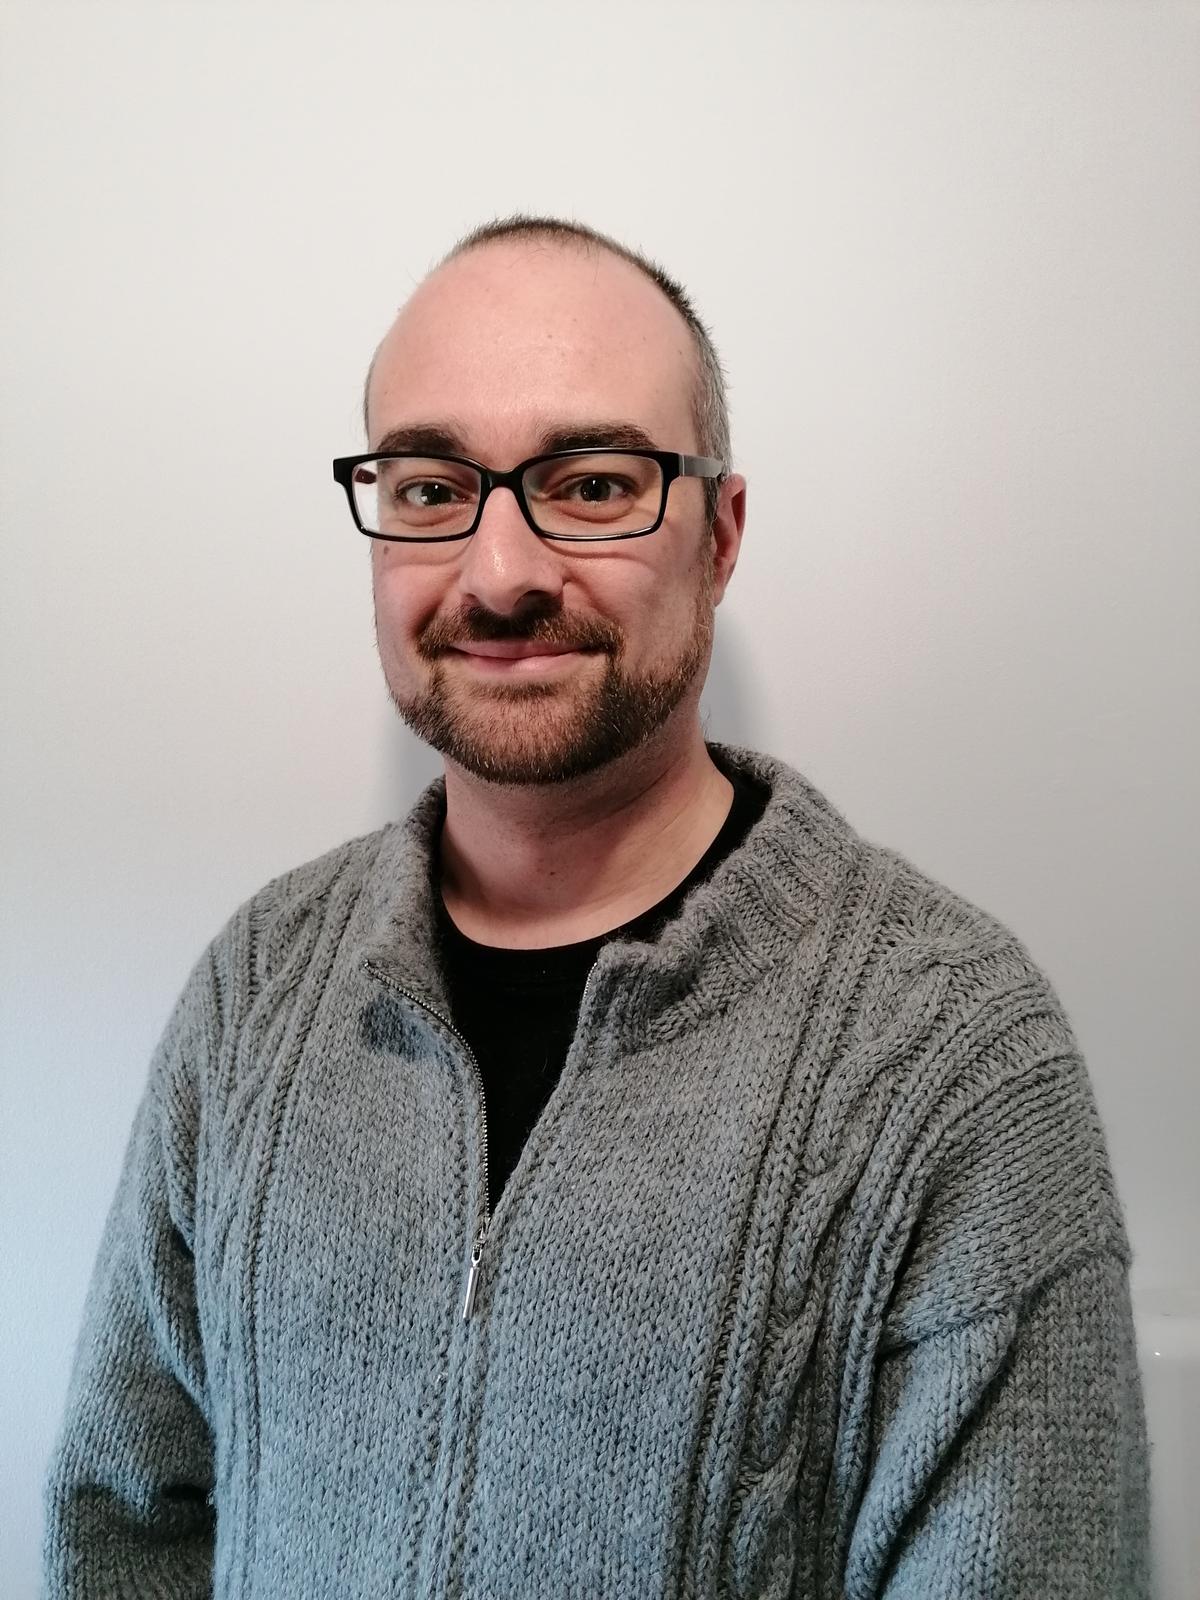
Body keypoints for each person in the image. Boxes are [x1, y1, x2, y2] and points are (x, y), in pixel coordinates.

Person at [42, 215, 1152, 1598]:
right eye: (433, 486)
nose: (500, 574)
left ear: (721, 537)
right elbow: (124, 1528)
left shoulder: (955, 1059)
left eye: (592, 482)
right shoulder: (258, 985)